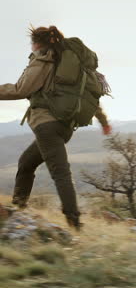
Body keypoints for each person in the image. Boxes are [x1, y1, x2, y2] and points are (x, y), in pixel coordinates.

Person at [0, 26, 111, 230]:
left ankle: (74, 222)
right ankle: (18, 207)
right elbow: (87, 95)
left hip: (46, 125)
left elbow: (20, 89)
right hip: (65, 127)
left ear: (36, 43)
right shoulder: (71, 65)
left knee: (60, 173)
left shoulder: (44, 59)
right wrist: (104, 122)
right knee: (26, 163)